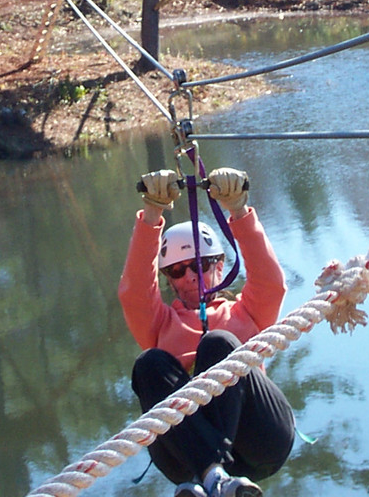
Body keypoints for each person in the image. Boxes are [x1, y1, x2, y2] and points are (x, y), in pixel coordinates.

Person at [119, 167, 295, 497]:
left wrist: (238, 210)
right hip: (188, 459)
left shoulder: (248, 311)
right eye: (177, 270)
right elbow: (134, 295)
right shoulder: (160, 324)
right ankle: (215, 475)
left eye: (200, 265)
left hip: (259, 438)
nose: (190, 276)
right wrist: (152, 214)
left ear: (219, 265)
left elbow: (271, 282)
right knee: (148, 364)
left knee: (219, 344)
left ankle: (213, 472)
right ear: (168, 280)